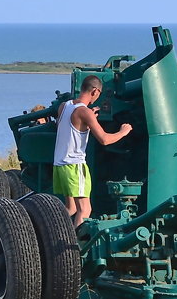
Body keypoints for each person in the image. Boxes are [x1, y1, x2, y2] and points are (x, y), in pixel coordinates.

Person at [53, 75, 132, 227]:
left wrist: (88, 122)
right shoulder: (85, 113)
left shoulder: (64, 105)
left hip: (60, 165)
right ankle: (74, 248)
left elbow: (66, 128)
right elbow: (105, 139)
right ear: (95, 91)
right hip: (75, 166)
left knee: (70, 208)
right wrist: (123, 131)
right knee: (85, 210)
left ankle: (50, 230)